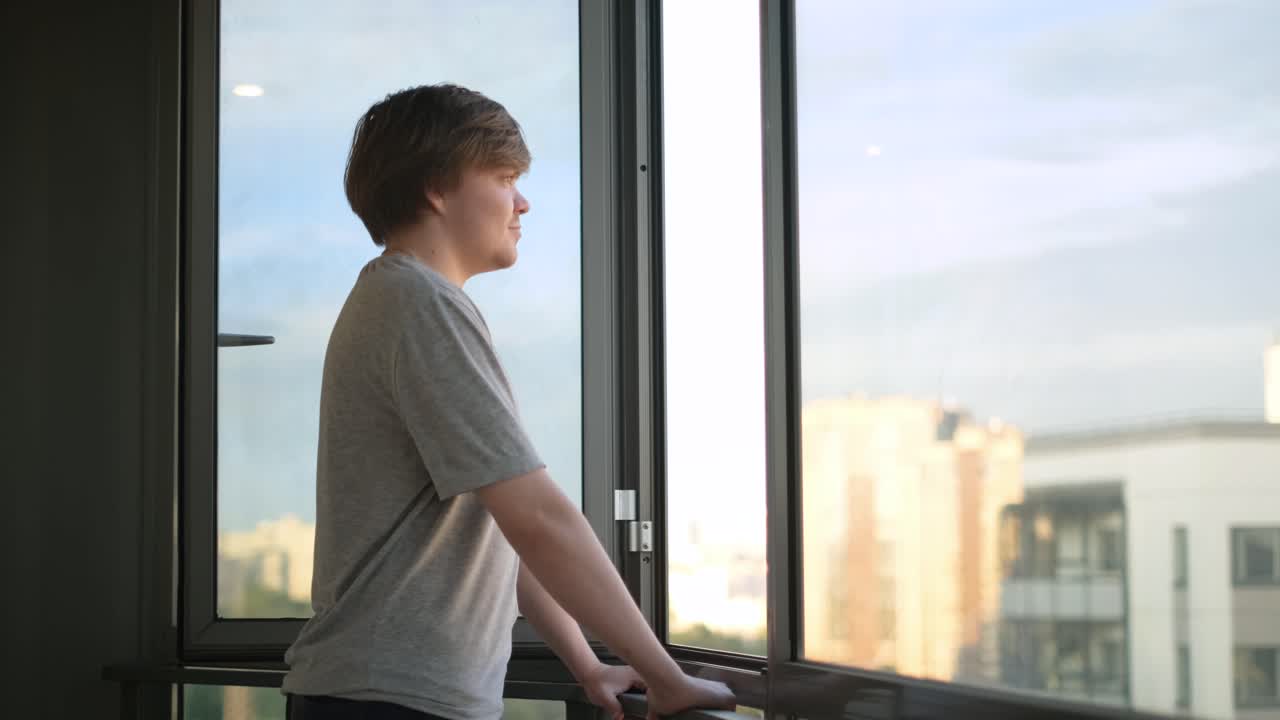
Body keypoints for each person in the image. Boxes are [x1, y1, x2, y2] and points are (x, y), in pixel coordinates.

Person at [281, 83, 737, 720]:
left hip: (384, 692)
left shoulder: (402, 299)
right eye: (503, 177)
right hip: (390, 699)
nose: (522, 201)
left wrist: (586, 664)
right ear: (436, 189)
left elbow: (498, 527)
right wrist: (667, 676)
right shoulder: (420, 304)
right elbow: (537, 517)